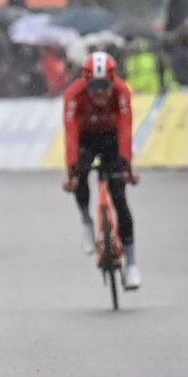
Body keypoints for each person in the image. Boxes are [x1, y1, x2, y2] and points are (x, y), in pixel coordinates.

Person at [61, 52, 141, 288]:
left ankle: (132, 263)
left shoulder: (122, 92)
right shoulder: (74, 95)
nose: (98, 92)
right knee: (80, 177)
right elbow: (71, 133)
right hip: (85, 139)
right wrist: (73, 170)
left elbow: (126, 129)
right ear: (86, 81)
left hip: (111, 139)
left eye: (104, 85)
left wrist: (126, 164)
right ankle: (86, 220)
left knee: (120, 198)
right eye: (94, 85)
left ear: (112, 81)